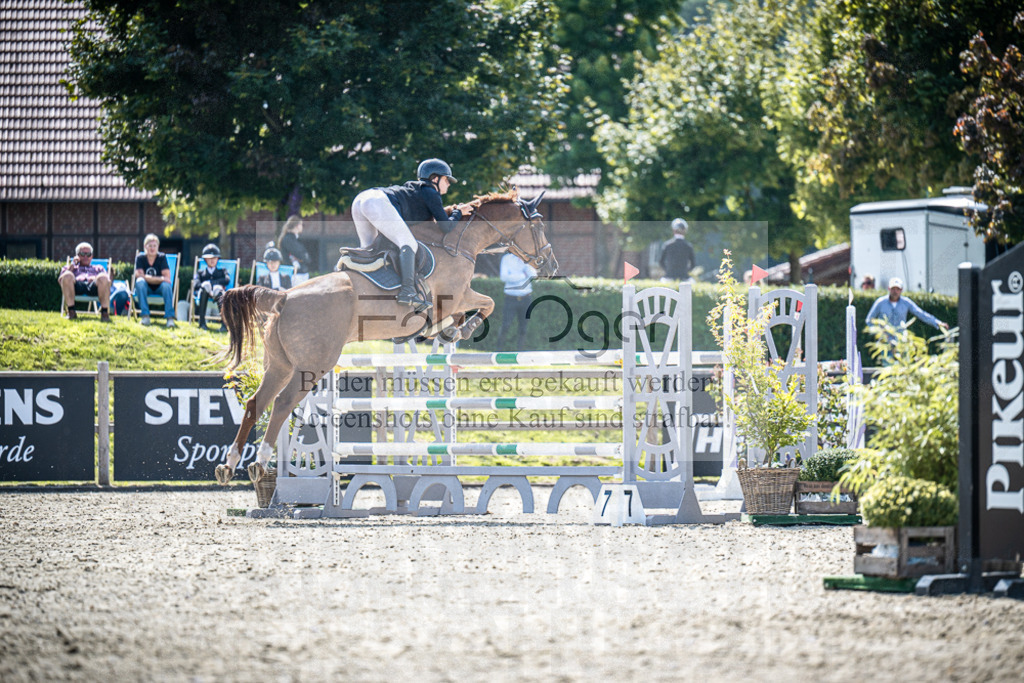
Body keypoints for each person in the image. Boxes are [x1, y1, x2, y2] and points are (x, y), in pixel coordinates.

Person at [350, 158, 475, 310]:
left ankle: (359, 282)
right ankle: (408, 291)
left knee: (368, 249)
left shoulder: (418, 190)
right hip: (378, 202)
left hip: (361, 199)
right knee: (408, 244)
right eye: (446, 179)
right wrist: (458, 212)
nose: (448, 183)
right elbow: (446, 226)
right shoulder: (430, 191)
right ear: (434, 178)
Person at [866, 277, 949, 336]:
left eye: (897, 289)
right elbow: (869, 320)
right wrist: (879, 331)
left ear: (901, 290)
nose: (895, 291)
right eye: (893, 289)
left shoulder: (906, 302)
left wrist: (938, 322)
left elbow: (921, 314)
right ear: (889, 289)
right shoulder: (880, 302)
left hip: (901, 340)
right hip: (885, 342)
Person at [58, 241, 111, 322]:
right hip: (76, 286)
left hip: (95, 287)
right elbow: (61, 280)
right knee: (67, 275)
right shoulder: (71, 267)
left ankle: (104, 314)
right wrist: (72, 265)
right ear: (77, 255)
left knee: (103, 277)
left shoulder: (98, 268)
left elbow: (108, 281)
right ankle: (71, 312)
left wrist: (96, 278)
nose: (86, 256)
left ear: (92, 256)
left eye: (88, 254)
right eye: (82, 254)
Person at [496, 252, 537, 350]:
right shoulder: (506, 258)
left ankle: (520, 351)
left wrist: (515, 274)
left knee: (523, 328)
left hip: (526, 298)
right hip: (511, 298)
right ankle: (499, 350)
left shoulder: (528, 259)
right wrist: (523, 275)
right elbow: (504, 277)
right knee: (506, 325)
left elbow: (533, 275)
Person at [134, 233, 176, 327]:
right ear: (145, 246)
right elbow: (139, 276)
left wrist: (146, 277)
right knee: (140, 282)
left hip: (160, 288)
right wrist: (160, 278)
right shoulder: (140, 258)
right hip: (145, 288)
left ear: (158, 246)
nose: (152, 248)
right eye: (150, 246)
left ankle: (170, 318)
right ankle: (145, 316)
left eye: (154, 246)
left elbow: (167, 278)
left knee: (166, 285)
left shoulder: (162, 257)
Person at [194, 243, 229, 331]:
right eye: (209, 258)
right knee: (205, 286)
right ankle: (202, 323)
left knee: (218, 289)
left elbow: (227, 280)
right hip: (204, 294)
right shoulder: (200, 272)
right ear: (205, 259)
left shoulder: (222, 271)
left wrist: (213, 284)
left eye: (214, 258)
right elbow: (196, 284)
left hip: (218, 294)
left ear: (218, 259)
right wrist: (207, 285)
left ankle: (224, 325)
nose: (212, 260)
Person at [277, 216, 311, 285]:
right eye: (301, 224)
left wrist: (305, 257)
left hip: (300, 273)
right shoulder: (288, 239)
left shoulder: (294, 239)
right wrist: (304, 257)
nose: (302, 226)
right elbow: (301, 255)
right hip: (295, 275)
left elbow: (306, 257)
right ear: (297, 225)